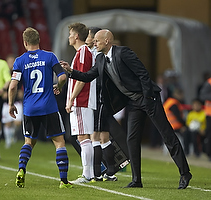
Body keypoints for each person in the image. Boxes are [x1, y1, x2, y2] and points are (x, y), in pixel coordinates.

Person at [60, 29, 192, 189]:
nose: (94, 43)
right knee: (132, 140)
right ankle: (136, 180)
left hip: (148, 99)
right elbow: (88, 76)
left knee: (167, 135)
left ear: (107, 41)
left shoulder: (123, 52)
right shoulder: (101, 58)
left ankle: (185, 173)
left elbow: (143, 74)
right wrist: (71, 71)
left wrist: (149, 98)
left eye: (96, 40)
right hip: (133, 103)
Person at [8, 27, 72, 189]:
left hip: (30, 108)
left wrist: (10, 104)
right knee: (59, 142)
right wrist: (59, 86)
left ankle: (21, 170)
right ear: (39, 41)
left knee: (28, 142)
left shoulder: (20, 61)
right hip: (49, 106)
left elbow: (13, 86)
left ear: (25, 43)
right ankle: (63, 181)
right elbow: (63, 76)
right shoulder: (50, 56)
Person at [64, 23, 96, 183]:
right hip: (80, 101)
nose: (69, 36)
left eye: (70, 33)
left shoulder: (83, 52)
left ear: (76, 36)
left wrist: (71, 99)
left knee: (83, 137)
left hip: (81, 101)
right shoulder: (80, 53)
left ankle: (88, 174)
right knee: (82, 137)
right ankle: (89, 173)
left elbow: (82, 79)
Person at [86, 26, 117, 182]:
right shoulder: (99, 54)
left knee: (96, 137)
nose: (89, 39)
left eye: (90, 37)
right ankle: (109, 172)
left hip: (98, 99)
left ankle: (97, 173)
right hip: (101, 99)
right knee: (103, 136)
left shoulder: (97, 55)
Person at [1, 54, 23, 148]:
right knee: (7, 123)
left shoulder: (19, 72)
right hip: (6, 102)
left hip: (17, 101)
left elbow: (22, 85)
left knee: (18, 122)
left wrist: (21, 92)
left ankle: (12, 134)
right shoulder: (4, 73)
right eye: (9, 62)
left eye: (12, 62)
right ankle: (8, 141)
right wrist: (3, 93)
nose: (10, 64)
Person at [199, 77, 211, 161]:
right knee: (209, 135)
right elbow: (202, 95)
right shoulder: (209, 82)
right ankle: (209, 153)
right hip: (210, 114)